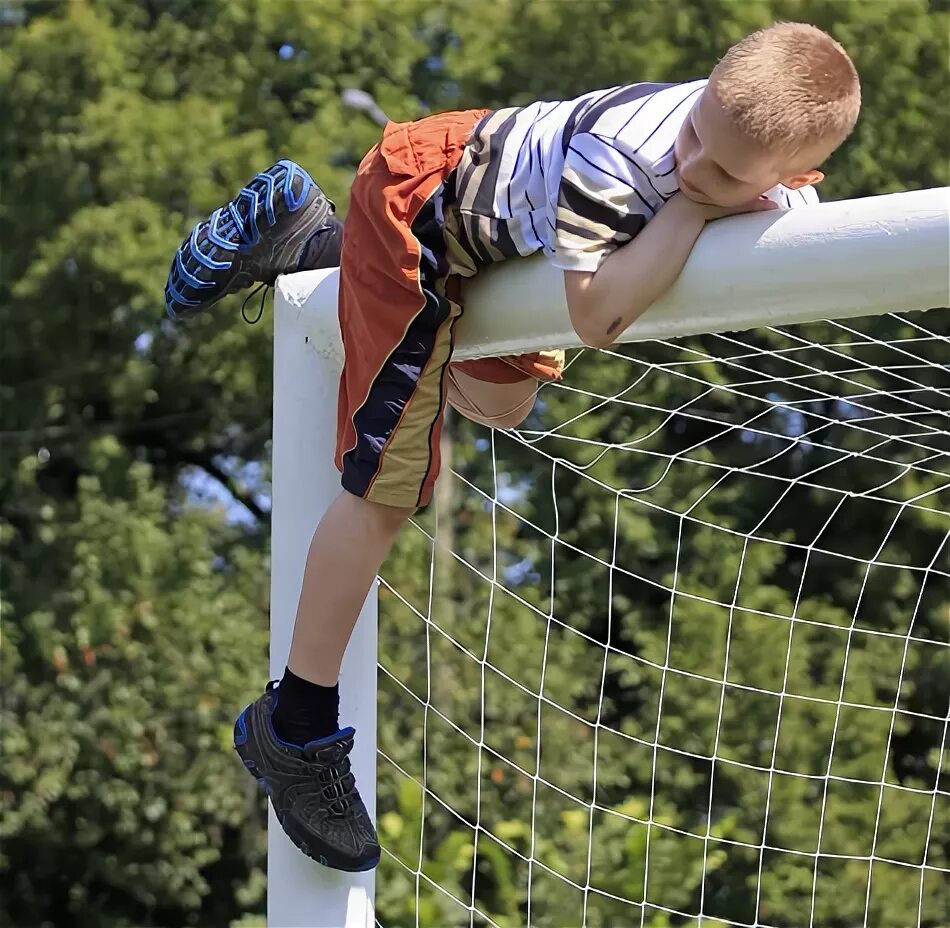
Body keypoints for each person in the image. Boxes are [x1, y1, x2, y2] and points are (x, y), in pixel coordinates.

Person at [165, 21, 860, 872]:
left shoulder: (751, 163)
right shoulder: (625, 157)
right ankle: (294, 723)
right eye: (694, 139)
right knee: (389, 486)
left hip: (480, 242)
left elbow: (781, 213)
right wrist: (696, 204)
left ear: (793, 176)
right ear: (702, 95)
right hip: (417, 209)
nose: (692, 167)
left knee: (503, 402)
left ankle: (311, 241)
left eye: (720, 170)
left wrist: (746, 201)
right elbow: (598, 315)